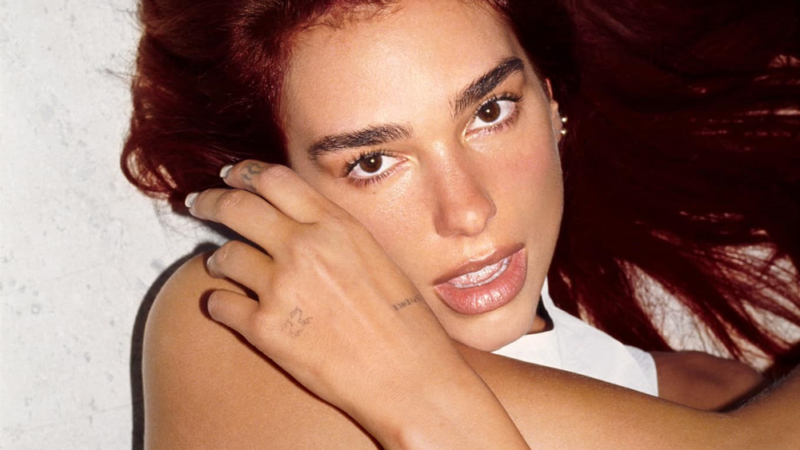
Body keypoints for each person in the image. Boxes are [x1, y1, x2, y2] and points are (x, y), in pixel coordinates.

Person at [121, 0, 800, 448]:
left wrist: (424, 402)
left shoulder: (711, 396)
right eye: (372, 161)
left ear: (552, 105)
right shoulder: (237, 324)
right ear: (281, 188)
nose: (467, 210)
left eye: (490, 112)